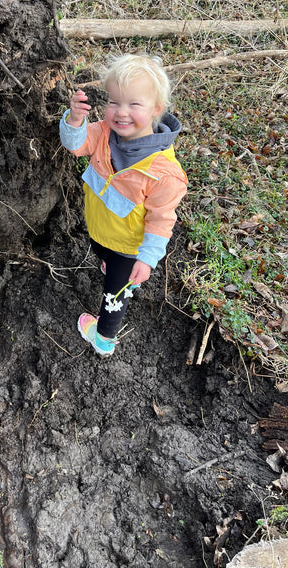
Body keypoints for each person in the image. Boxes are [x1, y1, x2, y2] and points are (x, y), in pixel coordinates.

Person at [59, 53, 188, 357]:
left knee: (115, 292)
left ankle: (103, 339)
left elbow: (161, 221)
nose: (121, 113)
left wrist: (146, 260)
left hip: (129, 247)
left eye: (134, 104)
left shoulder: (164, 174)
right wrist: (75, 119)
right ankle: (109, 263)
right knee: (107, 259)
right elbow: (75, 145)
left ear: (157, 109)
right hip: (102, 230)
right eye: (114, 102)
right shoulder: (104, 133)